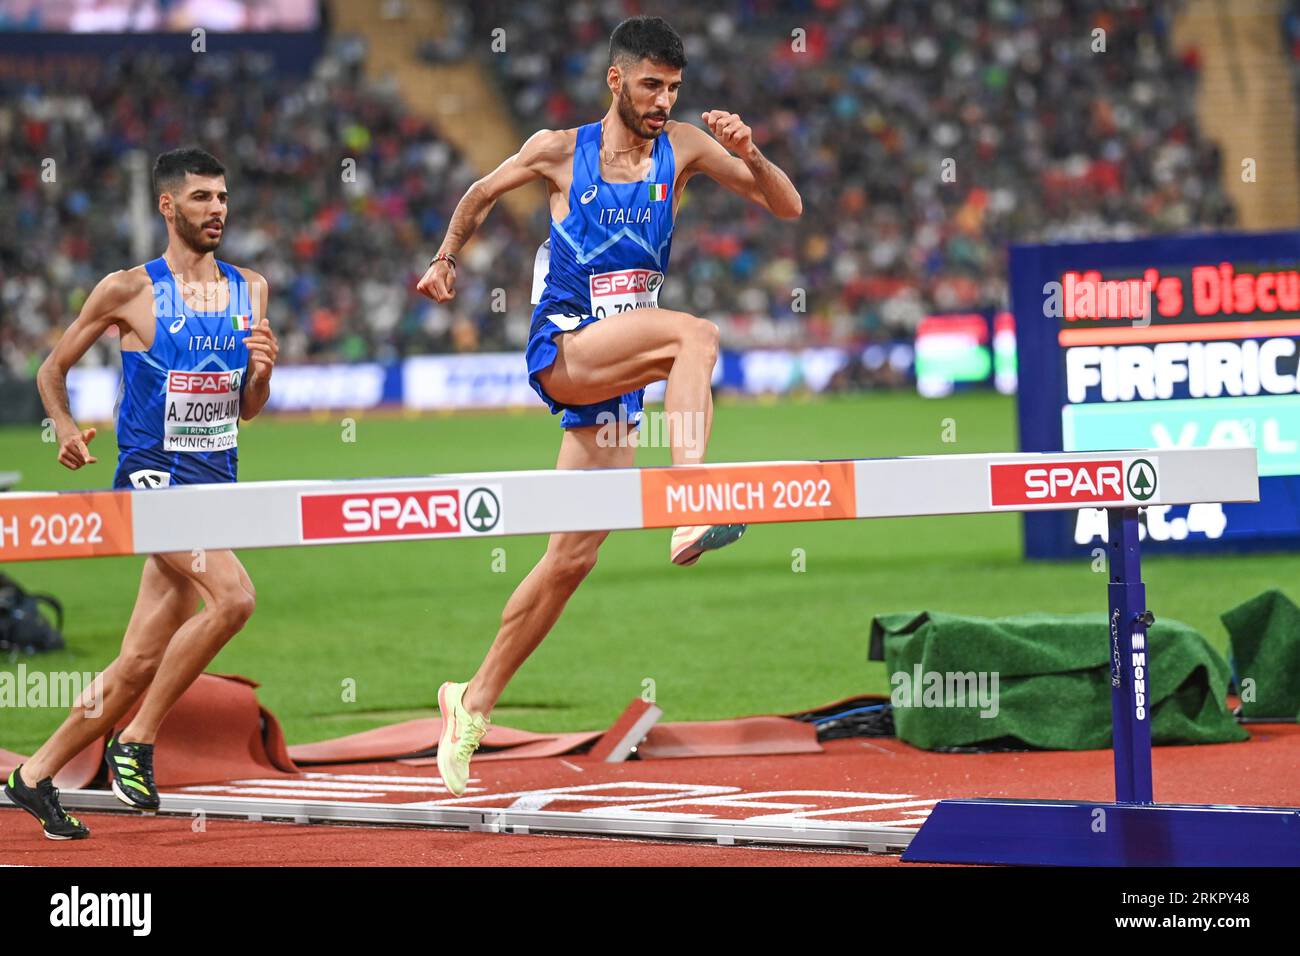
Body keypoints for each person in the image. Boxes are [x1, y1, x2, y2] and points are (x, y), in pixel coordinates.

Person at [415, 16, 801, 795]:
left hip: (618, 376)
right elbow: (482, 192)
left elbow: (786, 208)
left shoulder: (684, 147)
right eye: (652, 85)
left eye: (675, 88)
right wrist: (446, 259)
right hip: (566, 348)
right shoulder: (560, 149)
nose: (664, 101)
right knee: (695, 335)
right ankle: (692, 498)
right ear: (616, 80)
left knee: (570, 559)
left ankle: (471, 699)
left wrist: (752, 152)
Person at [4, 147, 279, 839]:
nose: (216, 209)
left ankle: (33, 776)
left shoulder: (252, 288)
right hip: (153, 479)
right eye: (200, 198)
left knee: (137, 661)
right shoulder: (127, 289)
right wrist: (64, 429)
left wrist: (264, 376)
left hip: (216, 479)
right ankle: (138, 739)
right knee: (237, 597)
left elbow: (247, 410)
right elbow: (52, 369)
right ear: (168, 206)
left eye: (221, 196)